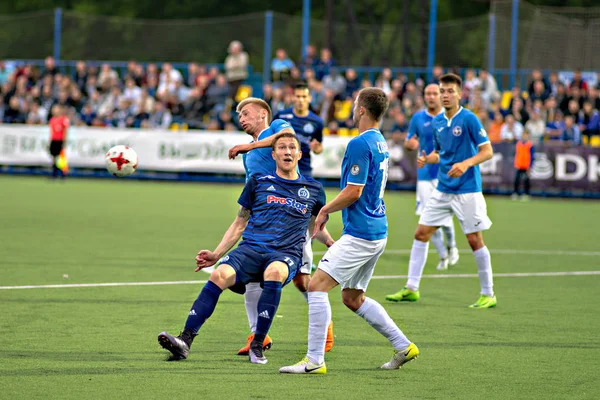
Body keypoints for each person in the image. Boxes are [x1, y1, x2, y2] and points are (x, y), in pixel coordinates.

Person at [158, 132, 334, 364]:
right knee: (220, 274)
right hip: (250, 248)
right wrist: (216, 254)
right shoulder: (259, 181)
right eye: (282, 147)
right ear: (274, 154)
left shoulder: (313, 189)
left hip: (285, 254)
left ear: (300, 154)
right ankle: (185, 341)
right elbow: (240, 222)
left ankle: (258, 344)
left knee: (274, 273)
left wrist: (331, 243)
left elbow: (315, 226)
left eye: (292, 147)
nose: (287, 151)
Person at [279, 88, 419, 375]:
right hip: (377, 230)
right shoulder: (379, 141)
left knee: (316, 285)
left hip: (362, 233)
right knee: (352, 297)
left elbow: (354, 192)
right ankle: (403, 345)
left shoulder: (359, 143)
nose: (352, 110)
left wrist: (325, 209)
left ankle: (314, 360)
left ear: (362, 111)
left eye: (355, 106)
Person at [230, 96, 335, 355]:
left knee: (304, 282)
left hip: (291, 226)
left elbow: (285, 136)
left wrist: (248, 146)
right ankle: (257, 335)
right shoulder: (251, 153)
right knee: (253, 281)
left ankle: (327, 331)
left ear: (262, 114)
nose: (241, 118)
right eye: (239, 115)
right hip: (262, 226)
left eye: (246, 113)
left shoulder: (278, 125)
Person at [387, 74, 496, 309]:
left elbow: (487, 151)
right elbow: (440, 153)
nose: (446, 95)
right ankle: (411, 288)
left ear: (459, 94)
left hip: (467, 190)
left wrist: (466, 164)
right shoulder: (437, 122)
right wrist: (428, 159)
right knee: (421, 233)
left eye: (450, 91)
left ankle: (488, 293)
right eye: (443, 91)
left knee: (474, 240)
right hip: (443, 189)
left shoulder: (469, 119)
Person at [387, 84, 458, 287]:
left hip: (445, 173)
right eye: (428, 94)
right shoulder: (418, 118)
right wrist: (411, 144)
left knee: (445, 218)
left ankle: (452, 246)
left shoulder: (450, 117)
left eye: (435, 93)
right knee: (428, 218)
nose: (431, 97)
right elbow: (410, 140)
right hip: (425, 176)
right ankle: (443, 255)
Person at [511, 130, 535, 201]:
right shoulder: (518, 143)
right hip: (519, 165)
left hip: (526, 166)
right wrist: (516, 163)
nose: (525, 136)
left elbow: (532, 156)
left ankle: (526, 194)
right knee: (517, 180)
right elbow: (517, 154)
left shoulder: (530, 144)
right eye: (524, 135)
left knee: (526, 180)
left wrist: (530, 166)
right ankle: (516, 193)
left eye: (526, 135)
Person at [48, 105, 69, 179]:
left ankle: (63, 174)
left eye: (56, 109)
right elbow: (51, 132)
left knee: (61, 158)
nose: (54, 111)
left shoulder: (63, 119)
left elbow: (65, 131)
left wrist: (64, 141)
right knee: (53, 157)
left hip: (60, 140)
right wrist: (50, 141)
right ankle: (54, 173)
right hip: (54, 140)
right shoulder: (52, 120)